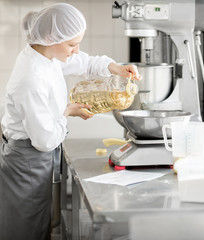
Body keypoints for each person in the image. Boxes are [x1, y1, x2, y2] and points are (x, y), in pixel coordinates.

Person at [0, 3, 141, 240]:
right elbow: (44, 140)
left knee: (37, 221)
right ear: (49, 37)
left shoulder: (47, 54)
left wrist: (116, 68)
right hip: (27, 160)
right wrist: (67, 112)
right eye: (72, 44)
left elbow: (85, 63)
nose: (76, 51)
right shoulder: (31, 78)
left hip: (34, 156)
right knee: (25, 228)